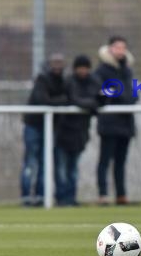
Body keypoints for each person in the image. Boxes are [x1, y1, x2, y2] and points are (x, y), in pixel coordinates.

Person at [94, 36, 138, 205]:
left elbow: (133, 93)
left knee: (121, 161)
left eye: (123, 47)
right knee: (105, 160)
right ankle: (103, 195)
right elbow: (104, 94)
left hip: (126, 122)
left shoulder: (127, 69)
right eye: (117, 47)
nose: (120, 50)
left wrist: (129, 97)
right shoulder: (102, 71)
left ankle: (121, 195)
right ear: (110, 49)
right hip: (109, 123)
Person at [54, 55, 102, 206]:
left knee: (73, 169)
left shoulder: (94, 81)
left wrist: (88, 104)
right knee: (61, 169)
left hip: (80, 132)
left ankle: (71, 198)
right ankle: (61, 199)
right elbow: (74, 100)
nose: (83, 70)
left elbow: (100, 100)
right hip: (63, 132)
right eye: (80, 67)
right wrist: (90, 104)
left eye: (85, 67)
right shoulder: (69, 82)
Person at [21, 53, 67, 206]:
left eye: (60, 63)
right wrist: (61, 101)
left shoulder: (64, 81)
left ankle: (41, 196)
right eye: (54, 63)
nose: (57, 66)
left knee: (44, 162)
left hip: (50, 127)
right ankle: (26, 197)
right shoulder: (42, 79)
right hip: (34, 125)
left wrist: (59, 101)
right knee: (31, 161)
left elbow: (68, 99)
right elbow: (43, 101)